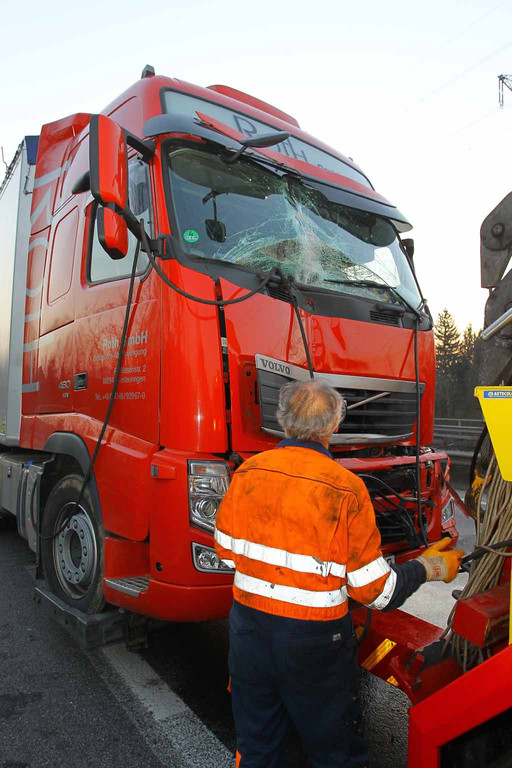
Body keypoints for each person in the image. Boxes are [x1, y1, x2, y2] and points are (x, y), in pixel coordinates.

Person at [215, 379, 464, 768]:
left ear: (284, 422)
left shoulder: (248, 473)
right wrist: (429, 567)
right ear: (333, 427)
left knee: (258, 745)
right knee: (333, 752)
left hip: (248, 634)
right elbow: (376, 593)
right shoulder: (346, 489)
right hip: (313, 645)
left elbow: (228, 554)